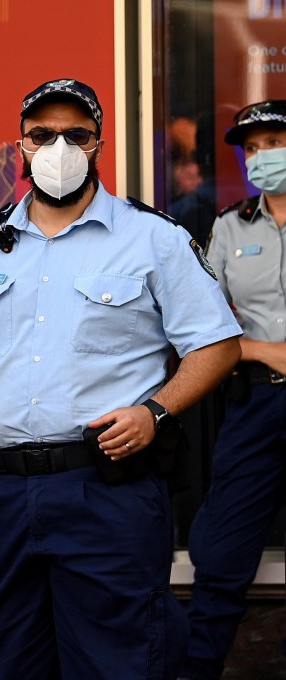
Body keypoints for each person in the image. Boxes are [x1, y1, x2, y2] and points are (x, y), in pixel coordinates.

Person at [0, 78, 242, 680]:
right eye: (42, 135)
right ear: (21, 147)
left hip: (105, 488)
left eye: (76, 135)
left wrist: (156, 411)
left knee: (118, 661)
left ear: (98, 146)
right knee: (1, 661)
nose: (58, 147)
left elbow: (216, 346)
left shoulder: (154, 238)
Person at [179, 99, 286, 680]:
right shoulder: (229, 226)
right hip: (256, 400)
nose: (262, 156)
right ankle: (199, 669)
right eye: (253, 148)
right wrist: (265, 351)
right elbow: (203, 329)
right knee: (220, 549)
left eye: (275, 144)